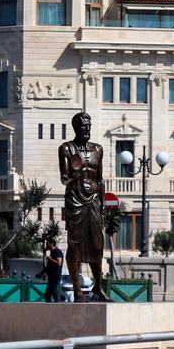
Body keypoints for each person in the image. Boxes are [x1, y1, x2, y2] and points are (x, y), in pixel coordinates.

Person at [58, 111, 110, 302]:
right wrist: (74, 176)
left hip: (95, 199)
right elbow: (64, 178)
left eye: (89, 125)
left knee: (97, 245)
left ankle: (99, 288)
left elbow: (100, 179)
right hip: (75, 200)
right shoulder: (66, 149)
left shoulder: (98, 149)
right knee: (75, 245)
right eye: (83, 126)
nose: (87, 128)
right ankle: (78, 292)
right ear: (75, 128)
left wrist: (103, 203)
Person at [43, 238, 64, 302]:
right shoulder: (52, 253)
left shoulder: (57, 252)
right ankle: (52, 308)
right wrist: (41, 273)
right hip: (51, 277)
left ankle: (57, 307)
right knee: (50, 293)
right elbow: (49, 266)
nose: (46, 245)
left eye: (47, 243)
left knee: (51, 292)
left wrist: (50, 259)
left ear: (51, 243)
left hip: (55, 276)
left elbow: (59, 263)